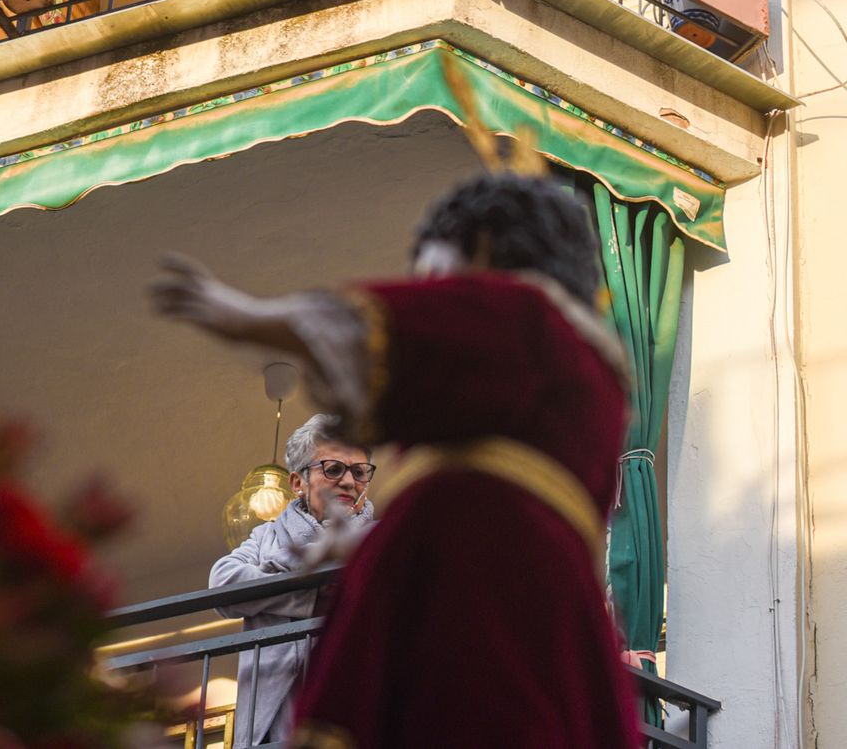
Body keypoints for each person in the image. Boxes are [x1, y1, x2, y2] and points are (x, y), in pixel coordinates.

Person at [152, 175, 639, 748]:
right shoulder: (549, 376)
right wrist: (361, 551)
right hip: (499, 600)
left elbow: (404, 326)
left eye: (438, 275)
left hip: (481, 599)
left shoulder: (532, 322)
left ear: (483, 250)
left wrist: (256, 318)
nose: (430, 290)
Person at [209, 415, 377, 747]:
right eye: (333, 469)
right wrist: (315, 590)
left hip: (357, 709)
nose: (349, 481)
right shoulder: (266, 536)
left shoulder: (379, 535)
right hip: (275, 724)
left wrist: (277, 572)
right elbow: (223, 583)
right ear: (298, 483)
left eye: (359, 472)